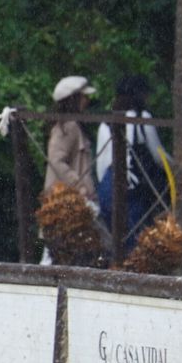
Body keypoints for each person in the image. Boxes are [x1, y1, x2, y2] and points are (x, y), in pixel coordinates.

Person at [93, 74, 169, 250]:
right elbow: (159, 157)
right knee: (135, 243)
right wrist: (178, 167)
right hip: (132, 190)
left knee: (117, 241)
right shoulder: (143, 118)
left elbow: (101, 166)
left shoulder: (106, 122)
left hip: (109, 190)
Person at [45, 75, 97, 201]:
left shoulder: (72, 124)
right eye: (84, 96)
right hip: (68, 198)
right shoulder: (68, 126)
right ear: (73, 99)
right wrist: (80, 186)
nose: (87, 100)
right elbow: (56, 160)